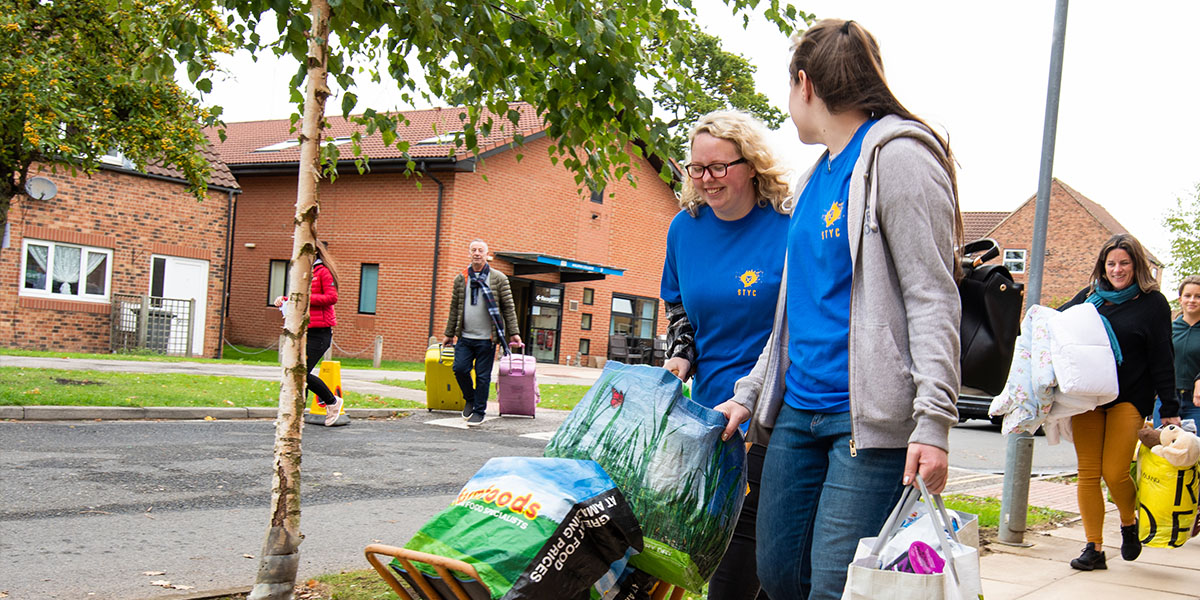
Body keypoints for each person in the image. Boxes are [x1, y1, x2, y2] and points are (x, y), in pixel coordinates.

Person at [713, 19, 963, 600]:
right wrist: (749, 394)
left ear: (804, 83)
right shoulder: (812, 180)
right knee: (777, 574)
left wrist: (934, 422)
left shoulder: (898, 158)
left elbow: (933, 295)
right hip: (798, 413)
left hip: (867, 422)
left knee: (836, 587)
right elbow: (793, 312)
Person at [659, 111, 792, 600]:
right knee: (720, 551)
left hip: (774, 413)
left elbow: (803, 318)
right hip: (709, 415)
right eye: (696, 168)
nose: (706, 180)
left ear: (751, 164)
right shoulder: (684, 229)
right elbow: (678, 305)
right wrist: (681, 354)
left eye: (719, 167)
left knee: (742, 556)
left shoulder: (786, 227)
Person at [1059, 233, 1180, 571]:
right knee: (1087, 473)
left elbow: (1162, 356)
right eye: (1111, 263)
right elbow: (1056, 325)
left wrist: (1169, 408)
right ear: (1102, 266)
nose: (1117, 269)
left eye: (1124, 263)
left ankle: (1129, 522)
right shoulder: (1089, 298)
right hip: (1088, 397)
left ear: (1136, 265)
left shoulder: (1153, 303)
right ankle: (1094, 547)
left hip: (1130, 397)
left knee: (1114, 472)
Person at [442, 239, 520, 427]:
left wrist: (514, 333)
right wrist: (449, 333)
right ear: (469, 253)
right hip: (465, 336)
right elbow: (454, 308)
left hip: (488, 338)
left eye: (480, 250)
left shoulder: (499, 278)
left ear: (487, 255)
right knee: (459, 369)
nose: (477, 253)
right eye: (473, 250)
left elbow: (508, 307)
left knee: (483, 376)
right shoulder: (461, 278)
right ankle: (470, 399)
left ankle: (479, 410)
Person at [273, 237, 343, 427]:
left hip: (320, 333)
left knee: (300, 372)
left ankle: (332, 402)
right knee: (296, 373)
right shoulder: (305, 272)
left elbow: (331, 297)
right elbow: (300, 297)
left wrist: (305, 297)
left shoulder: (323, 271)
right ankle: (294, 417)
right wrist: (285, 299)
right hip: (303, 329)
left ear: (314, 253)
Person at [1173, 275, 1200, 426]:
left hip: (1197, 403)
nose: (1192, 300)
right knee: (1162, 448)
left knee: (1195, 448)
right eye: (1188, 296)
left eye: (1198, 296)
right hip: (1168, 400)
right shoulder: (1168, 330)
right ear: (1180, 300)